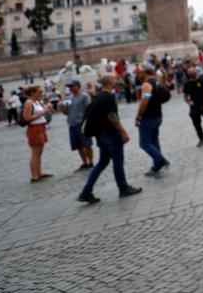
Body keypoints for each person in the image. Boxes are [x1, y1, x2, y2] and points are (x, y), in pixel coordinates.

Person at [77, 74, 142, 204]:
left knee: (102, 162)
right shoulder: (108, 97)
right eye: (114, 79)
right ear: (109, 82)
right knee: (117, 161)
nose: (117, 81)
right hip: (111, 135)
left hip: (101, 135)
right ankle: (123, 188)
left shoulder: (99, 96)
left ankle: (86, 191)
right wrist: (123, 132)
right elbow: (112, 116)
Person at [135, 66, 171, 176]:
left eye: (139, 72)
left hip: (148, 118)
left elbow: (145, 100)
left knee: (144, 143)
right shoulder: (157, 81)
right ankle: (156, 166)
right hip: (157, 116)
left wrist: (138, 116)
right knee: (154, 141)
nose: (138, 75)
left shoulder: (147, 84)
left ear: (145, 72)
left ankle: (161, 161)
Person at [60, 79, 95, 170]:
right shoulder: (69, 98)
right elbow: (66, 112)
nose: (70, 88)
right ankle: (84, 162)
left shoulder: (84, 96)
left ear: (78, 86)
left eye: (72, 86)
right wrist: (62, 107)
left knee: (87, 144)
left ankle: (91, 161)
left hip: (82, 123)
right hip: (72, 124)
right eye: (69, 87)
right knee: (78, 146)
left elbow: (88, 109)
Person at [22, 85, 53, 182]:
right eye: (39, 92)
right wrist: (43, 112)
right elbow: (27, 118)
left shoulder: (37, 102)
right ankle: (34, 175)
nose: (41, 93)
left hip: (41, 127)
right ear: (32, 92)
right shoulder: (29, 103)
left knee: (39, 152)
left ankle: (39, 173)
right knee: (35, 153)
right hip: (34, 128)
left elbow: (43, 113)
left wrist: (48, 109)